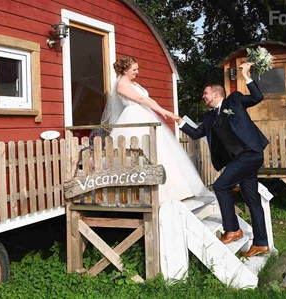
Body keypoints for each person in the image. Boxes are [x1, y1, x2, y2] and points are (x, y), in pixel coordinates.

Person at [175, 62, 270, 257]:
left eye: (205, 93)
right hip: (239, 159)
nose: (203, 97)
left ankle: (233, 230)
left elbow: (257, 97)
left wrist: (246, 75)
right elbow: (195, 133)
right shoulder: (209, 117)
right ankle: (261, 243)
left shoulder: (234, 100)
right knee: (252, 201)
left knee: (220, 186)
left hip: (250, 153)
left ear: (216, 94)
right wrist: (179, 121)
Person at [100, 56, 212, 204]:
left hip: (146, 115)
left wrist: (162, 110)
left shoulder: (134, 84)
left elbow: (148, 99)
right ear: (126, 70)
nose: (137, 72)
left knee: (162, 151)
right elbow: (141, 100)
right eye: (134, 69)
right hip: (134, 118)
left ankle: (176, 190)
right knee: (138, 153)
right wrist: (162, 111)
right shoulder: (121, 85)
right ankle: (139, 194)